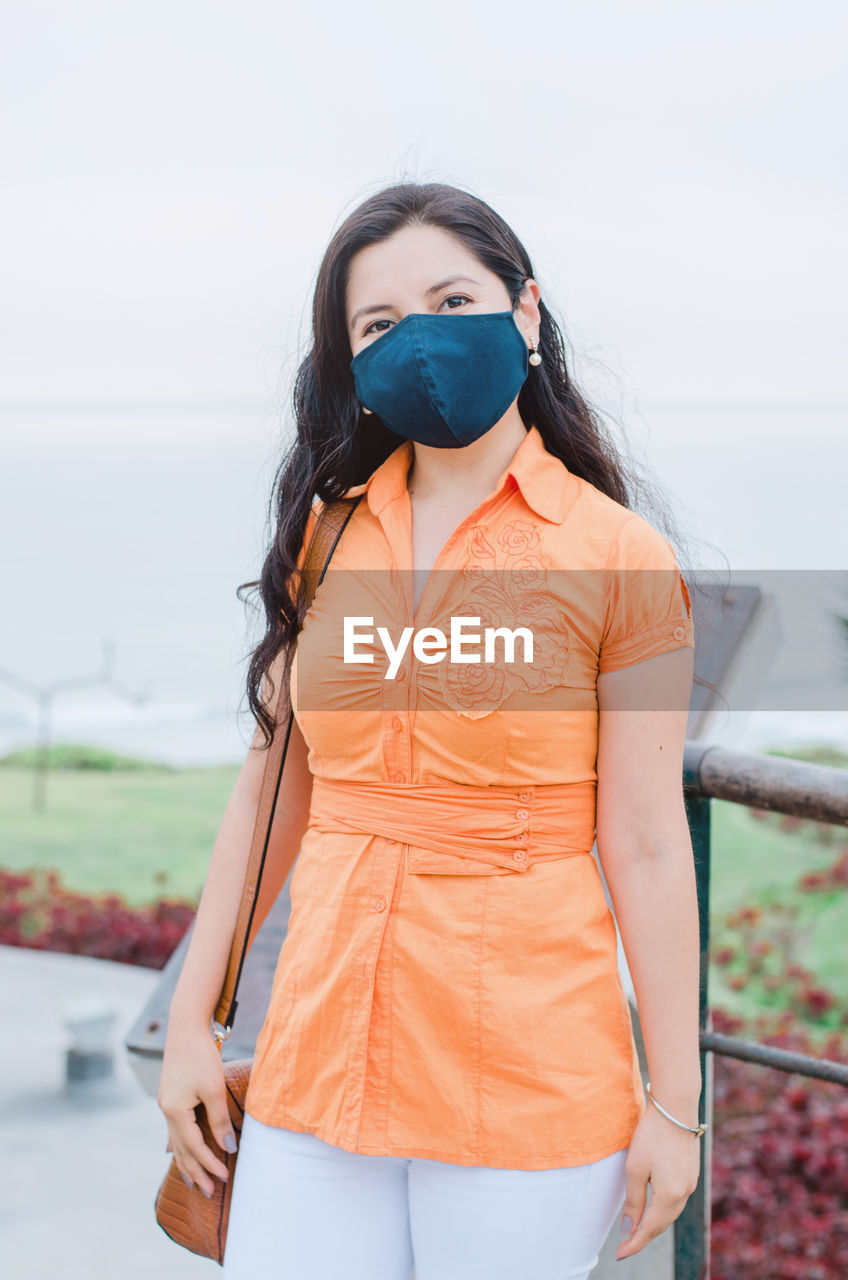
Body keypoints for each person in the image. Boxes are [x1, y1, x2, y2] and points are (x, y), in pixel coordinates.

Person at [158, 181, 705, 1280]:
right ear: (351, 360)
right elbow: (269, 792)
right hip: (317, 1057)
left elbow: (645, 842)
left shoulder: (616, 557)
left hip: (523, 1074)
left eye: (451, 298)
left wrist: (675, 1108)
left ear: (525, 313)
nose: (420, 339)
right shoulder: (329, 528)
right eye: (378, 323)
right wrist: (190, 1024)